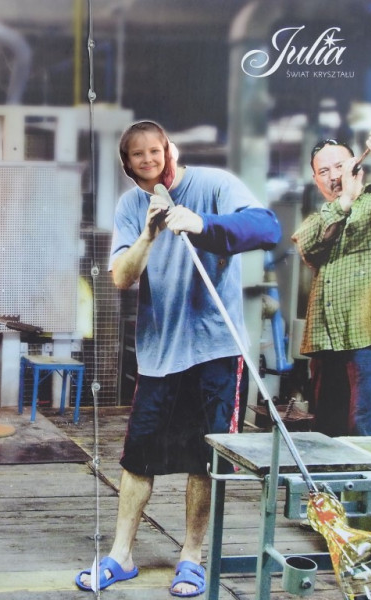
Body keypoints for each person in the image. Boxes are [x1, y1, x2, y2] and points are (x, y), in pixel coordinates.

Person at [75, 120, 281, 596]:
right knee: (137, 459)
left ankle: (191, 556)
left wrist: (202, 224)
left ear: (171, 149)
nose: (149, 159)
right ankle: (121, 555)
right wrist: (148, 235)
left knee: (204, 460)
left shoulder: (213, 185)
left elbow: (266, 227)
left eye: (156, 150)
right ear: (128, 165)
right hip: (159, 353)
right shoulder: (131, 206)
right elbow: (121, 277)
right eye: (138, 155)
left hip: (214, 350)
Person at [291, 130, 371, 437]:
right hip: (327, 343)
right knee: (326, 437)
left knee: (368, 435)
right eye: (324, 171)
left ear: (357, 166)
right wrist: (345, 201)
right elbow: (309, 246)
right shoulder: (319, 219)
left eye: (340, 166)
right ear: (315, 179)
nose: (334, 176)